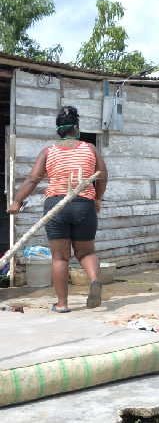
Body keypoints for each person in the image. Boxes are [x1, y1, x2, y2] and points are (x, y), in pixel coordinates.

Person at [7, 106, 108, 312]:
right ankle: (95, 279)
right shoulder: (89, 148)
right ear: (77, 128)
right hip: (83, 205)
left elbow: (33, 179)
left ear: (58, 130)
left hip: (56, 206)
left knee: (60, 257)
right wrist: (97, 198)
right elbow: (103, 176)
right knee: (86, 252)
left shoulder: (48, 151)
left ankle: (62, 305)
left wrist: (17, 201)